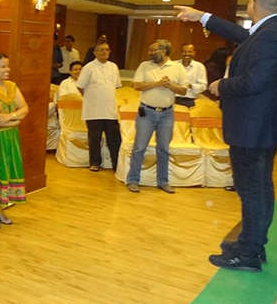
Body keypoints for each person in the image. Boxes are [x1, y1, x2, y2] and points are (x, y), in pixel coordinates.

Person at [175, 0, 277, 272]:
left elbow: (255, 81)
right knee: (258, 188)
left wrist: (220, 86)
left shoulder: (272, 35)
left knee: (253, 190)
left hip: (254, 127)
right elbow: (242, 35)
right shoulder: (273, 29)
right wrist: (201, 16)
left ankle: (248, 253)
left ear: (252, 3)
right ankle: (252, 243)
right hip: (259, 125)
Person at [126, 39, 187, 194]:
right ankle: (133, 180)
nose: (150, 53)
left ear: (164, 51)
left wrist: (170, 85)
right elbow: (136, 85)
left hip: (167, 114)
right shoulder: (144, 66)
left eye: (153, 50)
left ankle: (163, 182)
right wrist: (157, 83)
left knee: (163, 149)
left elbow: (183, 91)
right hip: (146, 113)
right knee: (139, 148)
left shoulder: (177, 68)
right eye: (150, 50)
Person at [0, 53, 29, 228]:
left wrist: (10, 116)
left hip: (10, 137)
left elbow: (25, 108)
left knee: (6, 169)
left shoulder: (12, 86)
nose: (7, 69)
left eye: (8, 66)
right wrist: (15, 120)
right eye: (3, 66)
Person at [77, 41, 122, 172]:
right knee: (94, 139)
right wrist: (92, 97)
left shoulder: (113, 67)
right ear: (95, 52)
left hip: (110, 110)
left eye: (107, 50)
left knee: (114, 139)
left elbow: (116, 86)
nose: (104, 52)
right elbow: (80, 86)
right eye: (101, 49)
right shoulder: (88, 67)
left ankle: (117, 164)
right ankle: (95, 162)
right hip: (93, 110)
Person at [174, 43, 207, 108]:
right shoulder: (173, 65)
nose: (187, 54)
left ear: (194, 53)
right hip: (173, 98)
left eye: (190, 52)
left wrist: (190, 85)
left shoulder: (199, 67)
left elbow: (203, 86)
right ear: (180, 52)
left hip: (189, 100)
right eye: (184, 52)